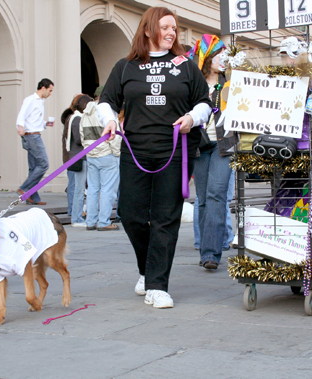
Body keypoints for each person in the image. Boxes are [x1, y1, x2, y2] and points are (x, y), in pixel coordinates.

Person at [97, 7, 212, 308]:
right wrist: (109, 120)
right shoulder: (126, 66)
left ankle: (157, 285)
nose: (172, 32)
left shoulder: (187, 67)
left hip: (173, 151)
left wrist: (191, 117)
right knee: (130, 212)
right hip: (135, 150)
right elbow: (107, 101)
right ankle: (147, 269)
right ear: (148, 29)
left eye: (174, 28)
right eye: (166, 27)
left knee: (165, 217)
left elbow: (204, 103)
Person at [187, 34, 236, 270]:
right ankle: (206, 250)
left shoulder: (231, 82)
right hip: (198, 145)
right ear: (205, 58)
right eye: (217, 55)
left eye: (224, 55)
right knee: (204, 199)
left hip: (223, 145)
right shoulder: (192, 85)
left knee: (217, 194)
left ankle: (211, 255)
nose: (222, 59)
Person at [80, 87, 121, 231]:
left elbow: (82, 135)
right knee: (108, 190)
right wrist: (116, 154)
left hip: (91, 154)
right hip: (107, 154)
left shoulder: (85, 113)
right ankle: (104, 222)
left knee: (92, 189)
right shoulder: (107, 113)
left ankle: (90, 221)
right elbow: (116, 135)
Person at [16, 78, 54, 205]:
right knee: (43, 164)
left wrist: (46, 123)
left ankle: (32, 198)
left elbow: (33, 120)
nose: (50, 93)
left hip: (33, 134)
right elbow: (22, 114)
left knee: (34, 168)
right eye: (50, 90)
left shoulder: (40, 102)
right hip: (32, 136)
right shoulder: (31, 100)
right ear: (43, 88)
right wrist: (20, 126)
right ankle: (25, 188)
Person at [66, 94, 93, 227]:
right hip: (80, 157)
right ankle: (76, 218)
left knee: (81, 189)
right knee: (79, 189)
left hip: (80, 157)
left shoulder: (76, 117)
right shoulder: (77, 118)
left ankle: (78, 217)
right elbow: (78, 139)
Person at [61, 94, 83, 216]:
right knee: (74, 185)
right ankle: (73, 211)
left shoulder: (69, 118)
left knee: (74, 184)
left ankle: (73, 210)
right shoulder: (75, 118)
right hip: (74, 156)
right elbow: (76, 139)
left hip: (71, 155)